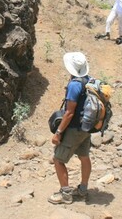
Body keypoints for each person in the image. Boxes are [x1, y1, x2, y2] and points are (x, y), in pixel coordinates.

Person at [48, 52, 93, 205]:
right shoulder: (88, 80)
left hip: (75, 129)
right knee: (84, 157)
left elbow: (69, 113)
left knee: (58, 159)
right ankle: (83, 190)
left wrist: (58, 133)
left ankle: (66, 194)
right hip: (87, 127)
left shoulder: (75, 85)